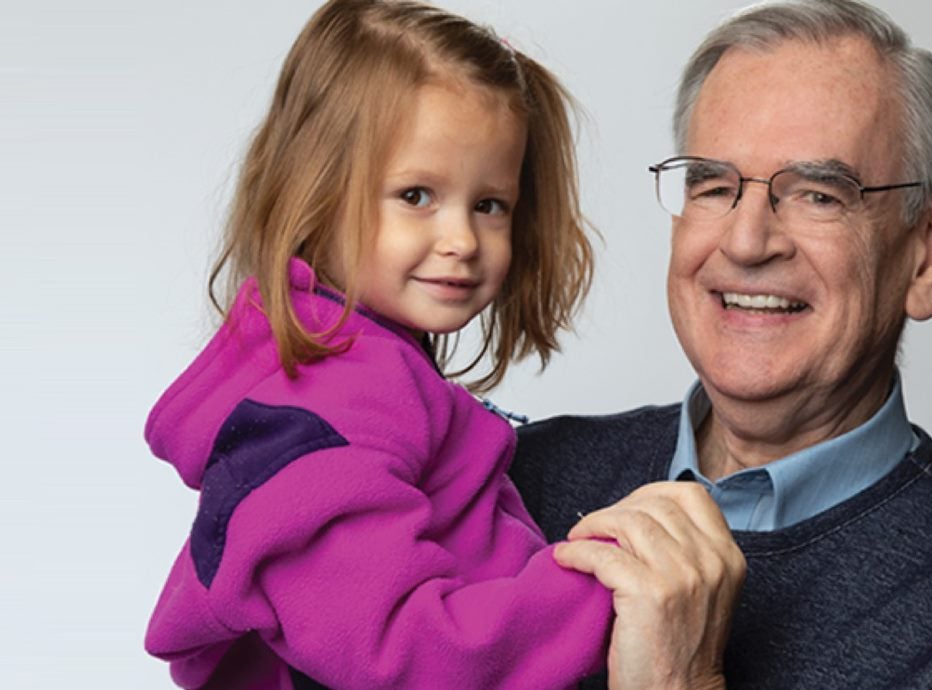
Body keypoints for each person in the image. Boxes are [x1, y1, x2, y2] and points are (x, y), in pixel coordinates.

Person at [512, 1, 932, 687]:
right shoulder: (516, 483)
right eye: (714, 186)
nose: (747, 242)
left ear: (931, 249)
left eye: (818, 195)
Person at [143, 1, 622, 687]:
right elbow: (403, 651)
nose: (462, 240)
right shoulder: (327, 404)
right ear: (316, 190)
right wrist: (612, 589)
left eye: (489, 204)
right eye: (416, 195)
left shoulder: (371, 370)